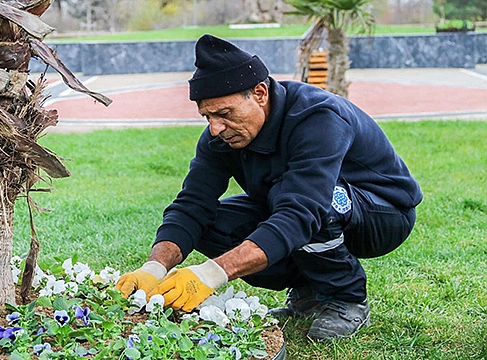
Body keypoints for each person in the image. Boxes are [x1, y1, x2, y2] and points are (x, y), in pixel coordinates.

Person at [116, 34, 422, 341]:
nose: (215, 128)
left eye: (224, 114)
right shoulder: (220, 138)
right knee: (207, 223)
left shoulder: (318, 117)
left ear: (260, 93)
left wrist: (210, 274)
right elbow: (191, 205)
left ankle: (346, 299)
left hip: (381, 213)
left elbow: (302, 211)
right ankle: (308, 292)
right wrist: (154, 268)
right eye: (207, 116)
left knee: (314, 205)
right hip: (300, 206)